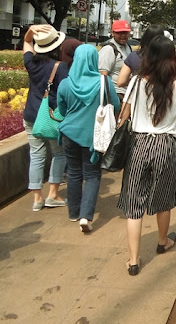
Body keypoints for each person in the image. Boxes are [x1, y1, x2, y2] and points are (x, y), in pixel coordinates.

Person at [117, 35, 176, 276]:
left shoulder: (136, 83)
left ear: (147, 56)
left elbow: (123, 116)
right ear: (172, 57)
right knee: (164, 199)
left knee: (134, 204)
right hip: (166, 146)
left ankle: (134, 260)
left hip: (138, 144)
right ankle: (162, 241)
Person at [58, 45, 120, 232]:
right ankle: (85, 216)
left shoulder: (66, 83)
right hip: (94, 136)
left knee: (74, 173)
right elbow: (115, 105)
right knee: (92, 175)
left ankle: (73, 213)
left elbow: (62, 110)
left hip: (69, 134)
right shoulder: (104, 82)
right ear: (94, 60)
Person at [22, 24, 68, 212]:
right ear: (57, 47)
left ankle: (37, 199)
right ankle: (53, 194)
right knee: (59, 154)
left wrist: (31, 31)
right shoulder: (60, 66)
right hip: (52, 117)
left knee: (36, 156)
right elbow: (65, 92)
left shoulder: (31, 63)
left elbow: (26, 43)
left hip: (31, 116)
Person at [99, 19, 132, 100]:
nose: (123, 35)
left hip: (128, 93)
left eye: (125, 32)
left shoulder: (128, 47)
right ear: (112, 33)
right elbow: (102, 76)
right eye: (119, 33)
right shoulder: (108, 50)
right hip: (115, 94)